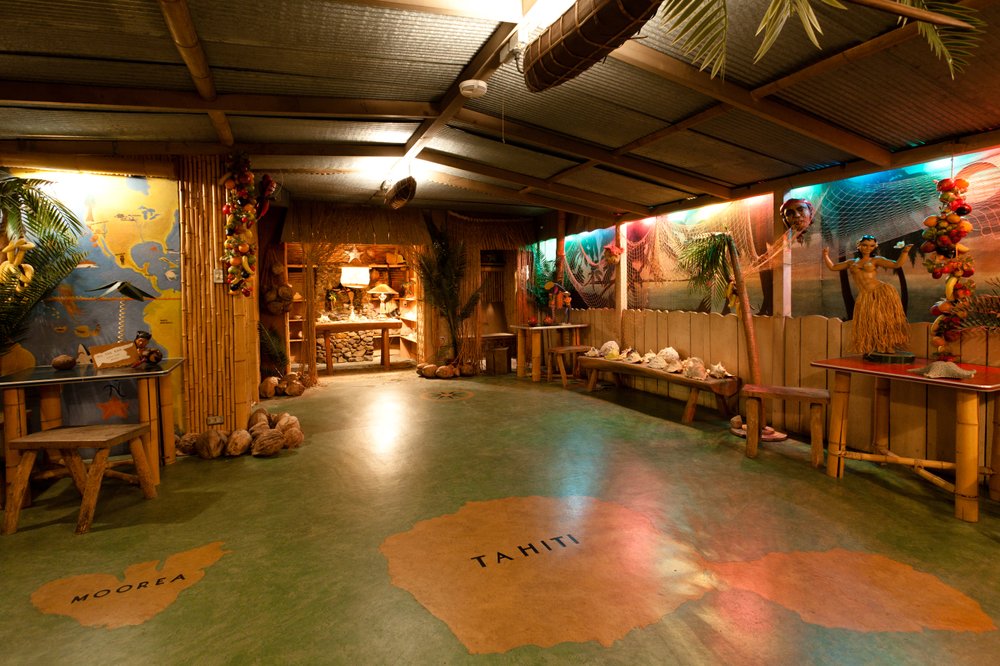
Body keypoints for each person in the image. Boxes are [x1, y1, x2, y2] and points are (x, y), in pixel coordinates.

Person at [822, 235, 912, 356]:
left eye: (871, 246)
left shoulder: (876, 260)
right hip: (865, 296)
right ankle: (880, 345)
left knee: (884, 320)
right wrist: (826, 255)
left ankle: (888, 345)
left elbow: (896, 265)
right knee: (873, 321)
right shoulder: (851, 262)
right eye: (864, 245)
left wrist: (905, 252)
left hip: (880, 292)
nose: (867, 248)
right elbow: (833, 267)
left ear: (875, 246)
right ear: (858, 245)